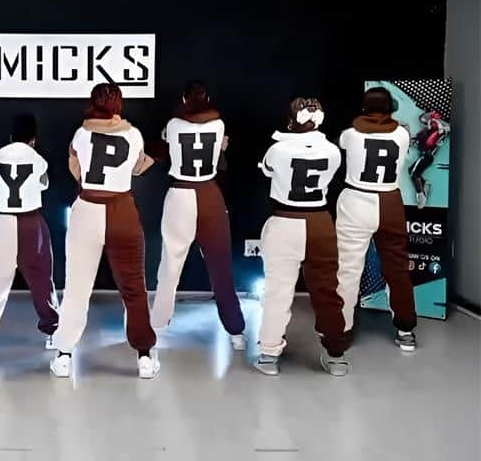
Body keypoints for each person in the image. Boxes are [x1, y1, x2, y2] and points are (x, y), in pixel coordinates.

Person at [50, 83, 160, 379]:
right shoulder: (133, 134)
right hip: (122, 210)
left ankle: (63, 355)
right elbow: (137, 168)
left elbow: (76, 171)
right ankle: (144, 356)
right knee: (134, 288)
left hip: (88, 207)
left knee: (77, 288)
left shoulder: (81, 134)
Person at [253, 97, 349, 377]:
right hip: (320, 222)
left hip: (284, 220)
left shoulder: (277, 150)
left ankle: (269, 354)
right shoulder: (333, 151)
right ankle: (336, 355)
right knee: (327, 291)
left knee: (277, 292)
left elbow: (267, 171)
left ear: (291, 118)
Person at [150, 81, 246, 349]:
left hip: (180, 193)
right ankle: (236, 332)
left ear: (184, 99)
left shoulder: (173, 124)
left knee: (170, 266)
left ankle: (157, 325)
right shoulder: (219, 124)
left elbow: (165, 147)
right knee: (220, 267)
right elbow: (221, 156)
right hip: (209, 193)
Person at [336, 87, 417, 351]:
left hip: (356, 200)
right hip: (390, 201)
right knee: (397, 268)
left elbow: (345, 140)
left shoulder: (349, 134)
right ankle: (405, 330)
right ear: (391, 108)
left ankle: (341, 332)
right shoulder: (402, 134)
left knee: (348, 270)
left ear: (364, 108)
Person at [0, 114, 59, 352]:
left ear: (11, 136)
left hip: (3, 220)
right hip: (31, 221)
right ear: (33, 139)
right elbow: (43, 184)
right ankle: (52, 331)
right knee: (42, 279)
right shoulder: (38, 159)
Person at [409, 110, 450, 209]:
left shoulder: (437, 132)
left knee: (413, 173)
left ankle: (421, 194)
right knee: (412, 171)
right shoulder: (429, 132)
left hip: (426, 155)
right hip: (427, 155)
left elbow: (446, 129)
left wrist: (439, 124)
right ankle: (424, 185)